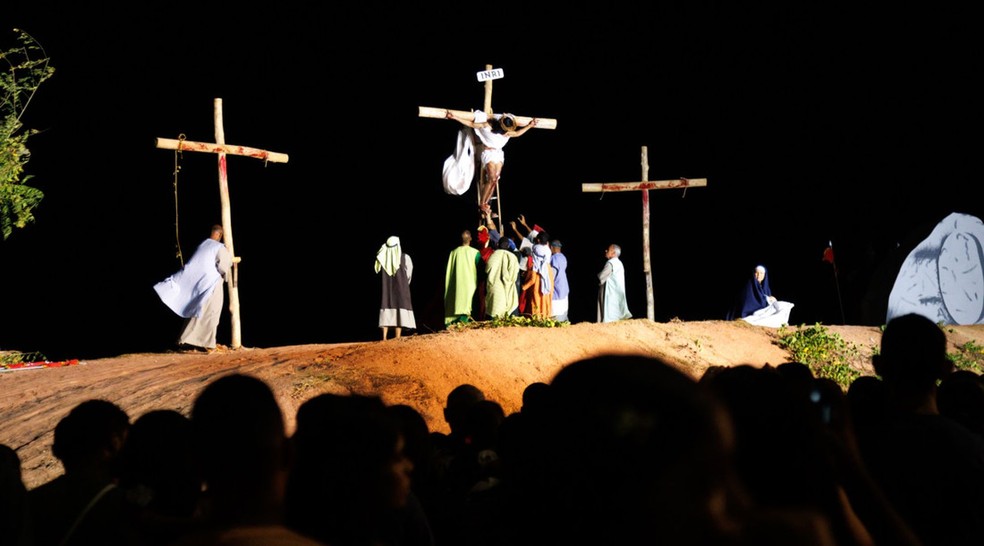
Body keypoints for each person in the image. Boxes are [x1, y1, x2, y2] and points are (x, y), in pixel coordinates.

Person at [154, 224, 233, 352]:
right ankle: (206, 343)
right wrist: (229, 263)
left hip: (199, 284)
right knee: (212, 312)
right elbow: (224, 267)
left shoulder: (202, 245)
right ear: (220, 235)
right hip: (211, 284)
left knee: (198, 310)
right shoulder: (219, 247)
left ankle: (186, 339)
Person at [445, 109, 538, 217]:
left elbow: (517, 133)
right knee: (492, 178)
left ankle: (485, 203)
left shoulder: (507, 131)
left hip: (498, 154)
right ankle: (482, 203)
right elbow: (471, 123)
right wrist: (455, 117)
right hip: (489, 153)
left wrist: (530, 126)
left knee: (495, 180)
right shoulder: (487, 126)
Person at [375, 235, 416, 340]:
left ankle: (384, 337)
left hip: (386, 290)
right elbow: (409, 273)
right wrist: (405, 284)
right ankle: (397, 337)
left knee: (386, 308)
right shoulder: (405, 258)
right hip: (401, 289)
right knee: (399, 310)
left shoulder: (382, 260)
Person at [727, 264, 794, 328]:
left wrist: (772, 300)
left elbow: (766, 300)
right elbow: (752, 302)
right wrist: (768, 299)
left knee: (785, 306)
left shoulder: (765, 287)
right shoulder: (749, 285)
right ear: (754, 273)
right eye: (757, 273)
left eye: (761, 273)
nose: (759, 275)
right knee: (782, 305)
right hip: (752, 312)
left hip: (763, 311)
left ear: (765, 275)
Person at [444, 229, 482, 326]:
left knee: (455, 302)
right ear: (471, 239)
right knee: (467, 305)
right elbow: (481, 269)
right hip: (470, 286)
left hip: (455, 285)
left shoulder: (453, 252)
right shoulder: (476, 253)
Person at [485, 237, 520, 319]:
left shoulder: (493, 256)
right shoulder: (513, 257)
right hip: (509, 290)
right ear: (508, 246)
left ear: (497, 245)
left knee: (494, 313)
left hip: (495, 288)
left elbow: (487, 270)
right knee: (510, 316)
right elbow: (515, 274)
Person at [597, 243, 631, 323]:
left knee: (606, 314)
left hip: (609, 293)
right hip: (618, 293)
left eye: (608, 250)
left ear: (613, 253)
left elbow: (601, 276)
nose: (606, 251)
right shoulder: (620, 263)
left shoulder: (610, 263)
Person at [550, 240, 569, 322]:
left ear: (552, 248)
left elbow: (552, 275)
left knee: (556, 313)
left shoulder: (554, 258)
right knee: (564, 310)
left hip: (557, 287)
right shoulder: (563, 257)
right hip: (564, 286)